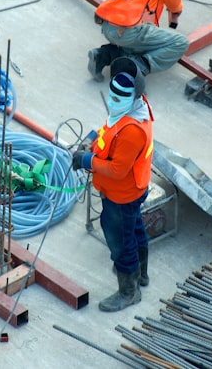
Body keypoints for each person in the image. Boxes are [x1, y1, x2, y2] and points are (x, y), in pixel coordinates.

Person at [72, 57, 154, 312]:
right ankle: (140, 274)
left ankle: (129, 292)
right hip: (133, 190)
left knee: (121, 241)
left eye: (119, 98)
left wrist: (88, 159)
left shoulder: (132, 131)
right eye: (112, 96)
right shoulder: (132, 110)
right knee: (135, 228)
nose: (113, 102)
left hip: (122, 194)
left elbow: (118, 170)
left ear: (134, 96)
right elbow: (110, 131)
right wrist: (93, 141)